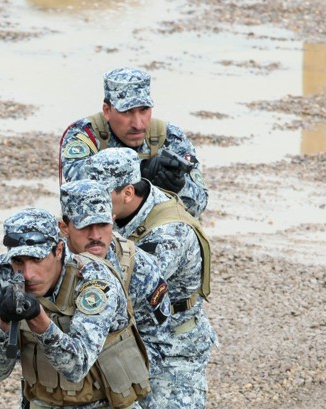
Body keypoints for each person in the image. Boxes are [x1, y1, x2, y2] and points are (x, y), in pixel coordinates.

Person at [83, 147, 220, 409]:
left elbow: (122, 288)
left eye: (101, 197)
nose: (93, 206)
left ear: (128, 193)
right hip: (131, 341)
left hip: (173, 349)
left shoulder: (169, 233)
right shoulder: (118, 211)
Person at [0, 207, 150, 409]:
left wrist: (39, 319)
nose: (27, 274)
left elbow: (77, 368)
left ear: (59, 250)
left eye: (36, 259)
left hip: (104, 403)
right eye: (18, 261)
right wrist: (4, 323)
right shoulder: (5, 275)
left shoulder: (93, 279)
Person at [58, 179, 172, 408]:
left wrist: (125, 377)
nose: (95, 235)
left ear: (112, 219)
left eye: (102, 224)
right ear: (64, 227)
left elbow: (160, 336)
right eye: (84, 226)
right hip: (59, 392)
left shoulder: (137, 266)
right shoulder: (46, 264)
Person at [59, 66, 209, 218]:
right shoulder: (85, 136)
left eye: (144, 110)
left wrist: (179, 186)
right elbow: (80, 194)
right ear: (107, 111)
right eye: (126, 112)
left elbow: (199, 206)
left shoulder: (170, 137)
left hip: (155, 228)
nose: (138, 124)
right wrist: (141, 172)